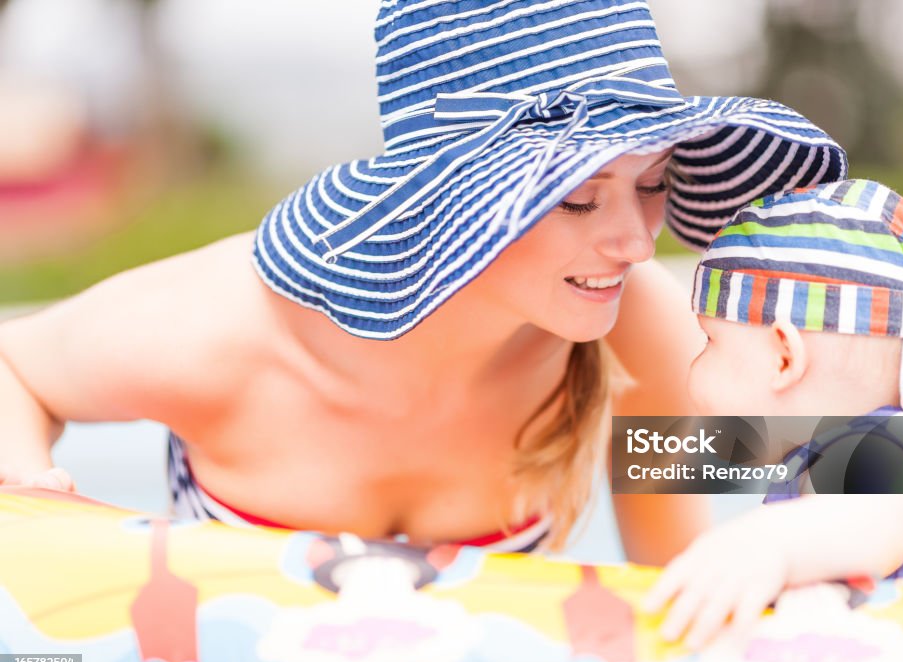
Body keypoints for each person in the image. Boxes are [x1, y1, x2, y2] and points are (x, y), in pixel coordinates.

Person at [0, 0, 848, 559]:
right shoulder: (223, 331)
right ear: (455, 199)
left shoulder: (637, 328)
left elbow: (685, 572)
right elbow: (13, 363)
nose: (634, 242)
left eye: (654, 183)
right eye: (579, 198)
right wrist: (35, 496)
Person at [645, 179, 903, 649]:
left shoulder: (877, 447)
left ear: (784, 358)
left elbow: (868, 520)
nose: (694, 366)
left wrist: (766, 545)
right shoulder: (898, 453)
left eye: (710, 343)